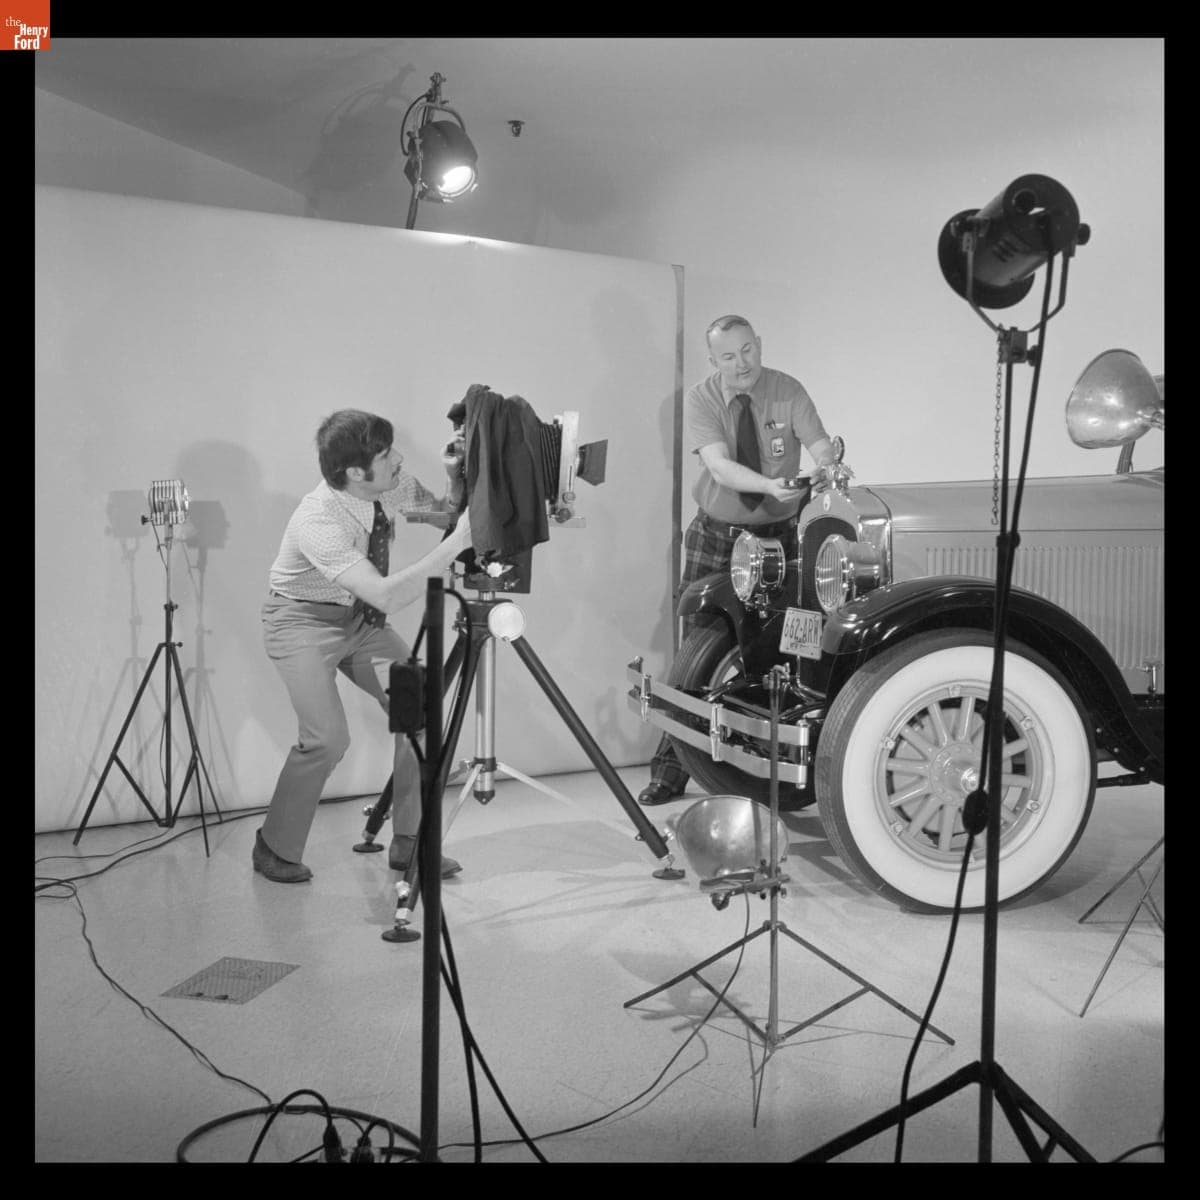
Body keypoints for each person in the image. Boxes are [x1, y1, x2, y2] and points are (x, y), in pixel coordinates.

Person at [254, 409, 473, 883]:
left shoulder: (386, 483)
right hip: (300, 623)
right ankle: (274, 846)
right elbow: (386, 592)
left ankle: (410, 842)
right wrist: (459, 543)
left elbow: (443, 514)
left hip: (358, 618)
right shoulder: (319, 520)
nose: (397, 458)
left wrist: (457, 482)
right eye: (385, 453)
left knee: (421, 710)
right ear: (355, 472)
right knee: (327, 739)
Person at [638, 314, 838, 806]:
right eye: (728, 356)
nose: (741, 363)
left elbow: (819, 444)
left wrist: (828, 464)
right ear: (713, 361)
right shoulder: (702, 398)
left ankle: (776, 762)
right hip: (718, 535)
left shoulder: (788, 390)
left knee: (790, 645)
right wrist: (771, 485)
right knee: (697, 655)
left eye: (748, 350)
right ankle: (671, 767)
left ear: (759, 344)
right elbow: (719, 465)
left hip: (781, 536)